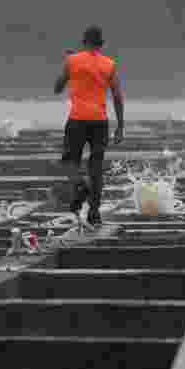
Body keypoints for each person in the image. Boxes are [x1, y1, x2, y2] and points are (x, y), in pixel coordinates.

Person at [54, 25, 124, 228]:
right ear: (101, 45)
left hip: (77, 119)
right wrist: (120, 126)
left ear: (84, 42)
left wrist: (66, 64)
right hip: (100, 122)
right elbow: (118, 96)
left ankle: (79, 186)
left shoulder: (72, 60)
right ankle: (94, 213)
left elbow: (58, 87)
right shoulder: (109, 64)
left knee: (69, 162)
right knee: (96, 169)